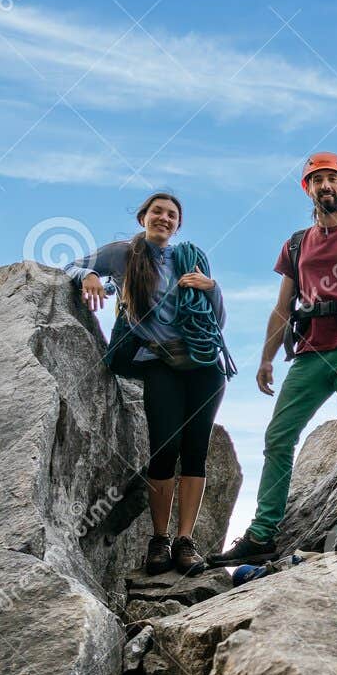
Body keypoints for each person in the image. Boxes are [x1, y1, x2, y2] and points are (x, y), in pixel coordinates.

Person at [212, 153, 337, 565]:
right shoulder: (296, 244)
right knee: (278, 437)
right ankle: (262, 533)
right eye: (317, 181)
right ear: (307, 189)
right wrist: (265, 358)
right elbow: (283, 306)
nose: (325, 187)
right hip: (310, 354)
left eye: (332, 179)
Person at [66, 191, 235, 576]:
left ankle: (185, 541)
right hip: (159, 361)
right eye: (157, 211)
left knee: (196, 450)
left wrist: (212, 288)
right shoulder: (123, 254)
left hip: (205, 364)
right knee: (165, 448)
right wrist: (90, 275)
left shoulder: (188, 258)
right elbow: (70, 267)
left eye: (172, 214)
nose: (164, 218)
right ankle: (159, 540)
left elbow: (217, 322)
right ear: (143, 216)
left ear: (178, 224)